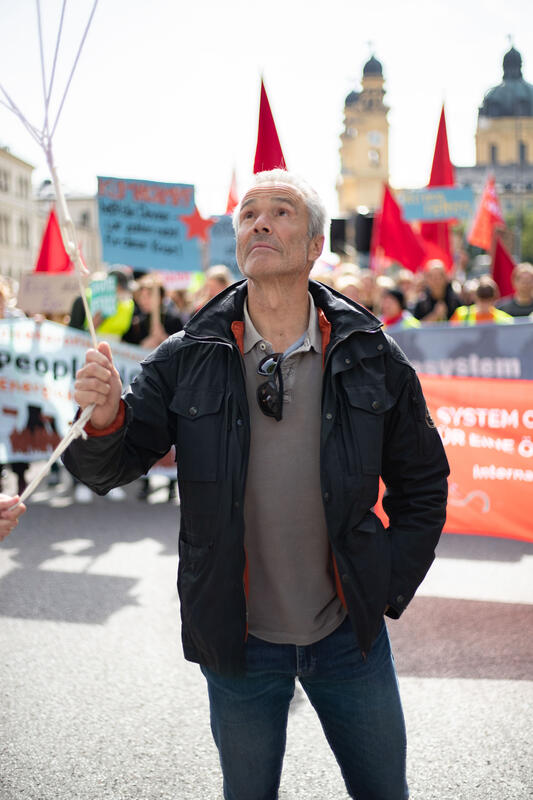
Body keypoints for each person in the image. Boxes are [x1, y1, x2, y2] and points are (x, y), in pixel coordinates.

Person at [1, 170, 449, 799]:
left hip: (350, 635)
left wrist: (382, 583)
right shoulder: (188, 354)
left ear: (316, 244)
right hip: (238, 640)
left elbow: (424, 482)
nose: (259, 222)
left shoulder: (373, 354)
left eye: (281, 211)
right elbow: (113, 466)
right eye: (248, 213)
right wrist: (103, 418)